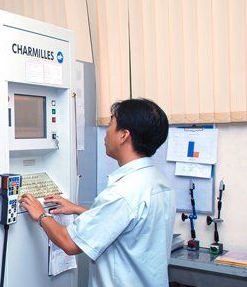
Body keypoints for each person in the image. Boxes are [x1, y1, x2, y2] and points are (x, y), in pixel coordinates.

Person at [19, 98, 175, 287]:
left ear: (124, 135)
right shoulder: (157, 182)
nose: (107, 131)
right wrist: (79, 209)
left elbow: (69, 243)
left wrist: (40, 214)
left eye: (111, 124)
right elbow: (126, 225)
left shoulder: (123, 192)